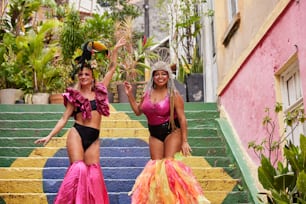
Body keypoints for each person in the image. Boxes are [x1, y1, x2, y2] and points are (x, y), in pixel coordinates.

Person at [34, 37, 126, 204]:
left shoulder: (100, 91)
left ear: (92, 78)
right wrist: (49, 136)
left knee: (94, 175)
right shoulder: (74, 97)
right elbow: (64, 118)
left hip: (94, 138)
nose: (83, 76)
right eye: (81, 74)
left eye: (87, 74)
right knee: (79, 169)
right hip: (77, 133)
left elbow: (112, 68)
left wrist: (115, 51)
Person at [124, 61, 211, 204]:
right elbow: (138, 111)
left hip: (172, 131)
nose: (160, 77)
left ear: (168, 77)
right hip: (154, 134)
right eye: (157, 74)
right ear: (153, 77)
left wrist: (184, 141)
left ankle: (181, 199)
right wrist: (129, 95)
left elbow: (182, 119)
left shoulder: (174, 95)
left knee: (169, 166)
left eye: (163, 74)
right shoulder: (146, 94)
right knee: (156, 168)